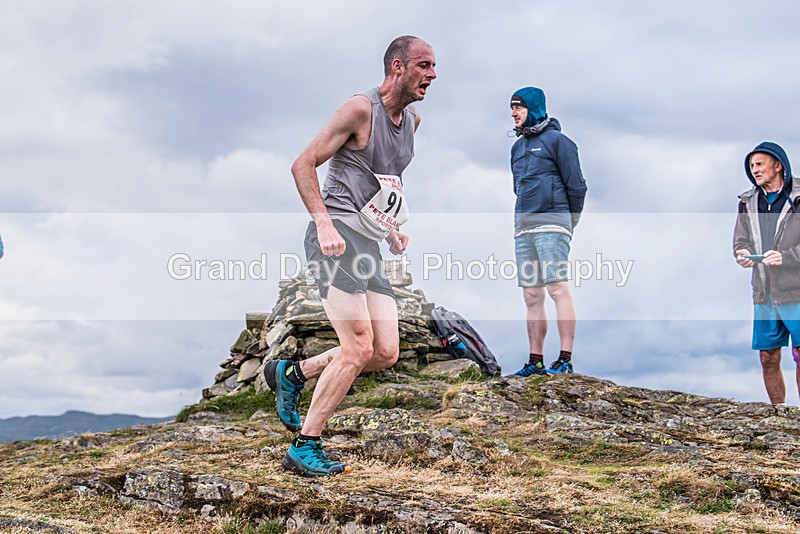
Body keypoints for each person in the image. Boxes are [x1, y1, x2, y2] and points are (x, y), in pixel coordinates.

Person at [263, 35, 436, 476]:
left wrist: (391, 229)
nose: (432, 75)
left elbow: (382, 181)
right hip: (335, 237)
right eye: (423, 65)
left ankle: (293, 374)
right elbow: (302, 163)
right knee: (358, 346)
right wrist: (323, 223)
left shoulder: (412, 121)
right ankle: (305, 446)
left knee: (385, 352)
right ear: (397, 67)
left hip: (368, 242)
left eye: (434, 67)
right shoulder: (360, 109)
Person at [508, 87, 587, 378]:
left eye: (519, 107)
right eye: (512, 108)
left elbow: (577, 186)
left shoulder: (559, 142)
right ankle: (536, 362)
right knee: (531, 294)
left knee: (556, 287)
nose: (514, 113)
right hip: (523, 227)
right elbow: (518, 188)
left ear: (534, 108)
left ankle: (565, 360)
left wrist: (568, 222)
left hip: (553, 223)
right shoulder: (517, 149)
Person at [734, 141, 800, 406]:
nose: (755, 170)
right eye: (752, 165)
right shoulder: (747, 201)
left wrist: (787, 257)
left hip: (796, 289)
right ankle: (779, 415)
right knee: (767, 356)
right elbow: (740, 241)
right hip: (764, 290)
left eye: (760, 164)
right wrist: (742, 254)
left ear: (778, 165)